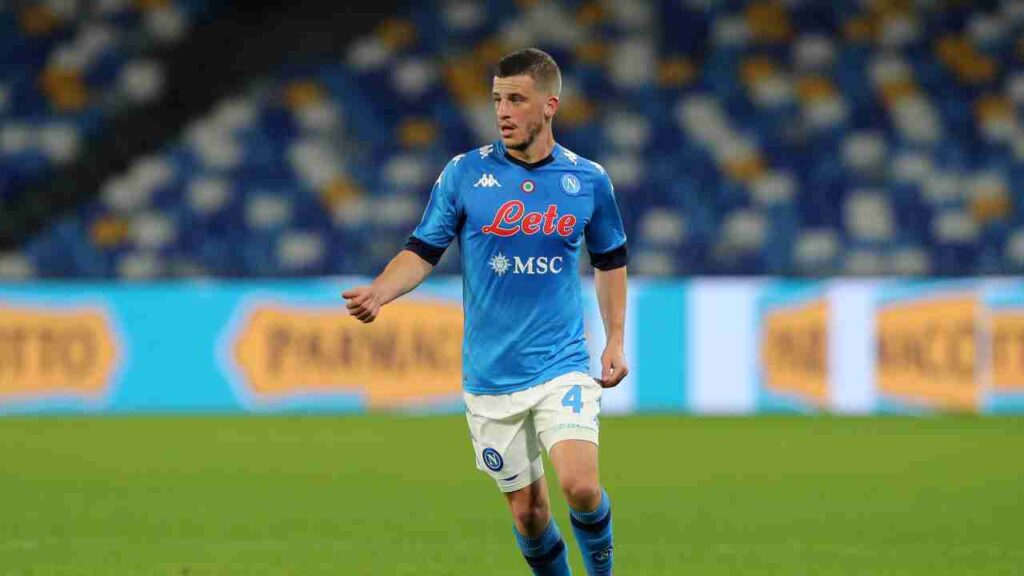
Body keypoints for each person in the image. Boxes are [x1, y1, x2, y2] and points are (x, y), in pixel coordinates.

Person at [343, 47, 628, 576]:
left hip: (561, 363)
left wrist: (614, 340)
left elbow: (610, 259)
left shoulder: (588, 180)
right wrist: (381, 291)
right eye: (497, 99)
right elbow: (422, 250)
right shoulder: (464, 174)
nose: (502, 112)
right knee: (529, 514)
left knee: (581, 486)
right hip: (490, 376)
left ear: (549, 106)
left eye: (516, 99)